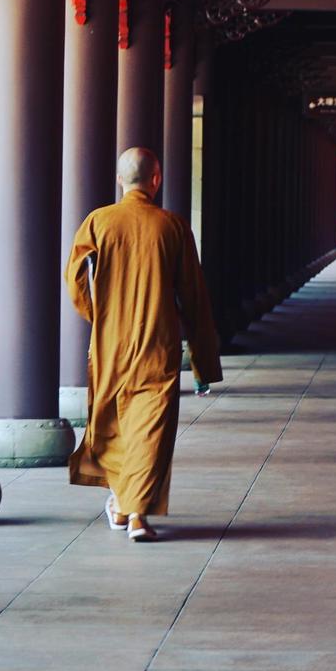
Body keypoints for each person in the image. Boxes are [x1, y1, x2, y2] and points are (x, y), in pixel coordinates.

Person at [65, 147, 221, 542]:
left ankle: (123, 504)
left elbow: (75, 281)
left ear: (120, 180)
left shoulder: (99, 221)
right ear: (157, 179)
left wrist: (98, 317)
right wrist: (203, 361)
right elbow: (194, 297)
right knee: (151, 430)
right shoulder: (172, 226)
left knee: (114, 423)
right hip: (158, 343)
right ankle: (135, 514)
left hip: (111, 343)